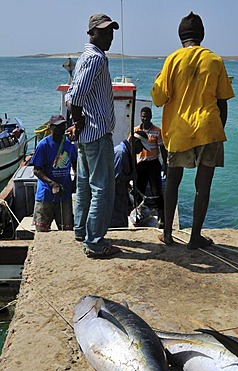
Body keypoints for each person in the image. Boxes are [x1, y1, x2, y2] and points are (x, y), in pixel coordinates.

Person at [151, 12, 234, 248]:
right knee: (203, 186)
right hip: (209, 128)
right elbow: (223, 102)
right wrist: (218, 131)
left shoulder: (172, 59)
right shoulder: (215, 60)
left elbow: (158, 99)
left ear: (180, 37)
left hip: (179, 131)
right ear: (202, 36)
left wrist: (158, 78)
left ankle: (167, 235)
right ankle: (195, 237)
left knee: (173, 183)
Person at [65, 13, 121, 259]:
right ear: (92, 33)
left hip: (87, 134)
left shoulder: (86, 57)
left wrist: (77, 123)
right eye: (105, 31)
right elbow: (75, 98)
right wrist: (77, 120)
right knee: (102, 189)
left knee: (85, 185)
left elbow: (73, 95)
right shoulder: (96, 59)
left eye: (111, 32)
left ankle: (82, 232)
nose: (110, 36)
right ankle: (95, 243)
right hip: (97, 134)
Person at [30, 114, 77, 232]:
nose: (61, 129)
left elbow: (75, 163)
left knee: (67, 230)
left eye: (63, 126)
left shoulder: (69, 145)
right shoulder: (43, 145)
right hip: (45, 195)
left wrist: (75, 181)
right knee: (41, 230)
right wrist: (52, 184)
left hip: (64, 195)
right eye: (58, 127)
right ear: (51, 127)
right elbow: (36, 170)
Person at [134, 107, 167, 228]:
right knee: (139, 191)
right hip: (140, 165)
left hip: (153, 164)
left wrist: (165, 165)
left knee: (157, 191)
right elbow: (131, 149)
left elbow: (163, 149)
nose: (145, 118)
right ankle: (138, 215)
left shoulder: (158, 131)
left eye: (147, 116)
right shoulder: (135, 130)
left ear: (151, 116)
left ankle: (161, 218)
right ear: (140, 116)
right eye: (143, 116)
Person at [110, 131, 150, 228]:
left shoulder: (127, 154)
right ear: (135, 142)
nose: (141, 151)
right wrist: (130, 177)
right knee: (116, 224)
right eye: (141, 147)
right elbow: (115, 178)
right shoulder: (120, 154)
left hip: (121, 195)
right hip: (114, 197)